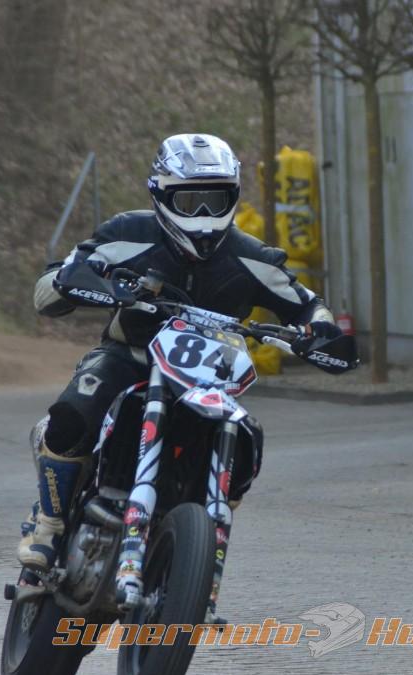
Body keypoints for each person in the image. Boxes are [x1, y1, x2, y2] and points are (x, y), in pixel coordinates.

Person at [18, 133, 346, 576]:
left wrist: (320, 330)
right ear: (161, 194)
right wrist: (80, 283)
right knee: (71, 417)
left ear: (234, 196)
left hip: (209, 379)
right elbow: (53, 284)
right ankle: (49, 523)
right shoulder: (125, 233)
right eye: (191, 201)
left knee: (248, 441)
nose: (205, 215)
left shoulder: (254, 257)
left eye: (216, 200)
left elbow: (308, 303)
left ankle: (198, 534)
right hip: (130, 356)